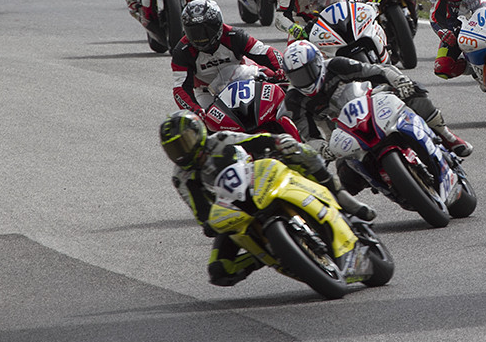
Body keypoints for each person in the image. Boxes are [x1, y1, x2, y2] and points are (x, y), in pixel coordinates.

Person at [159, 111, 374, 287]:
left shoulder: (221, 139)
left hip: (258, 182)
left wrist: (278, 142)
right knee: (220, 271)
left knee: (296, 152)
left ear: (198, 133)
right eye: (174, 149)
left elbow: (256, 141)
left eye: (184, 143)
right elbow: (201, 212)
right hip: (234, 211)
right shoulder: (182, 177)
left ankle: (341, 197)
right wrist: (211, 223)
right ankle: (267, 255)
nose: (181, 153)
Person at [281, 40, 472, 167]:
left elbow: (377, 71)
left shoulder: (336, 65)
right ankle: (392, 186)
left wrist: (400, 81)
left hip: (371, 103)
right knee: (345, 174)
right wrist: (323, 149)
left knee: (414, 94)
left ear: (318, 63)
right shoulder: (295, 100)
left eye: (307, 72)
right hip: (343, 134)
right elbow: (308, 135)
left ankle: (447, 135)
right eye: (297, 77)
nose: (304, 80)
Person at [171, 0, 286, 117]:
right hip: (207, 93)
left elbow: (265, 52)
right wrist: (194, 109)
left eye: (206, 30)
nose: (201, 37)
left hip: (243, 82)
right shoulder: (182, 51)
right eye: (194, 32)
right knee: (199, 126)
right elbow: (180, 88)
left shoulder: (235, 36)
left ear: (217, 24)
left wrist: (282, 69)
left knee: (276, 104)